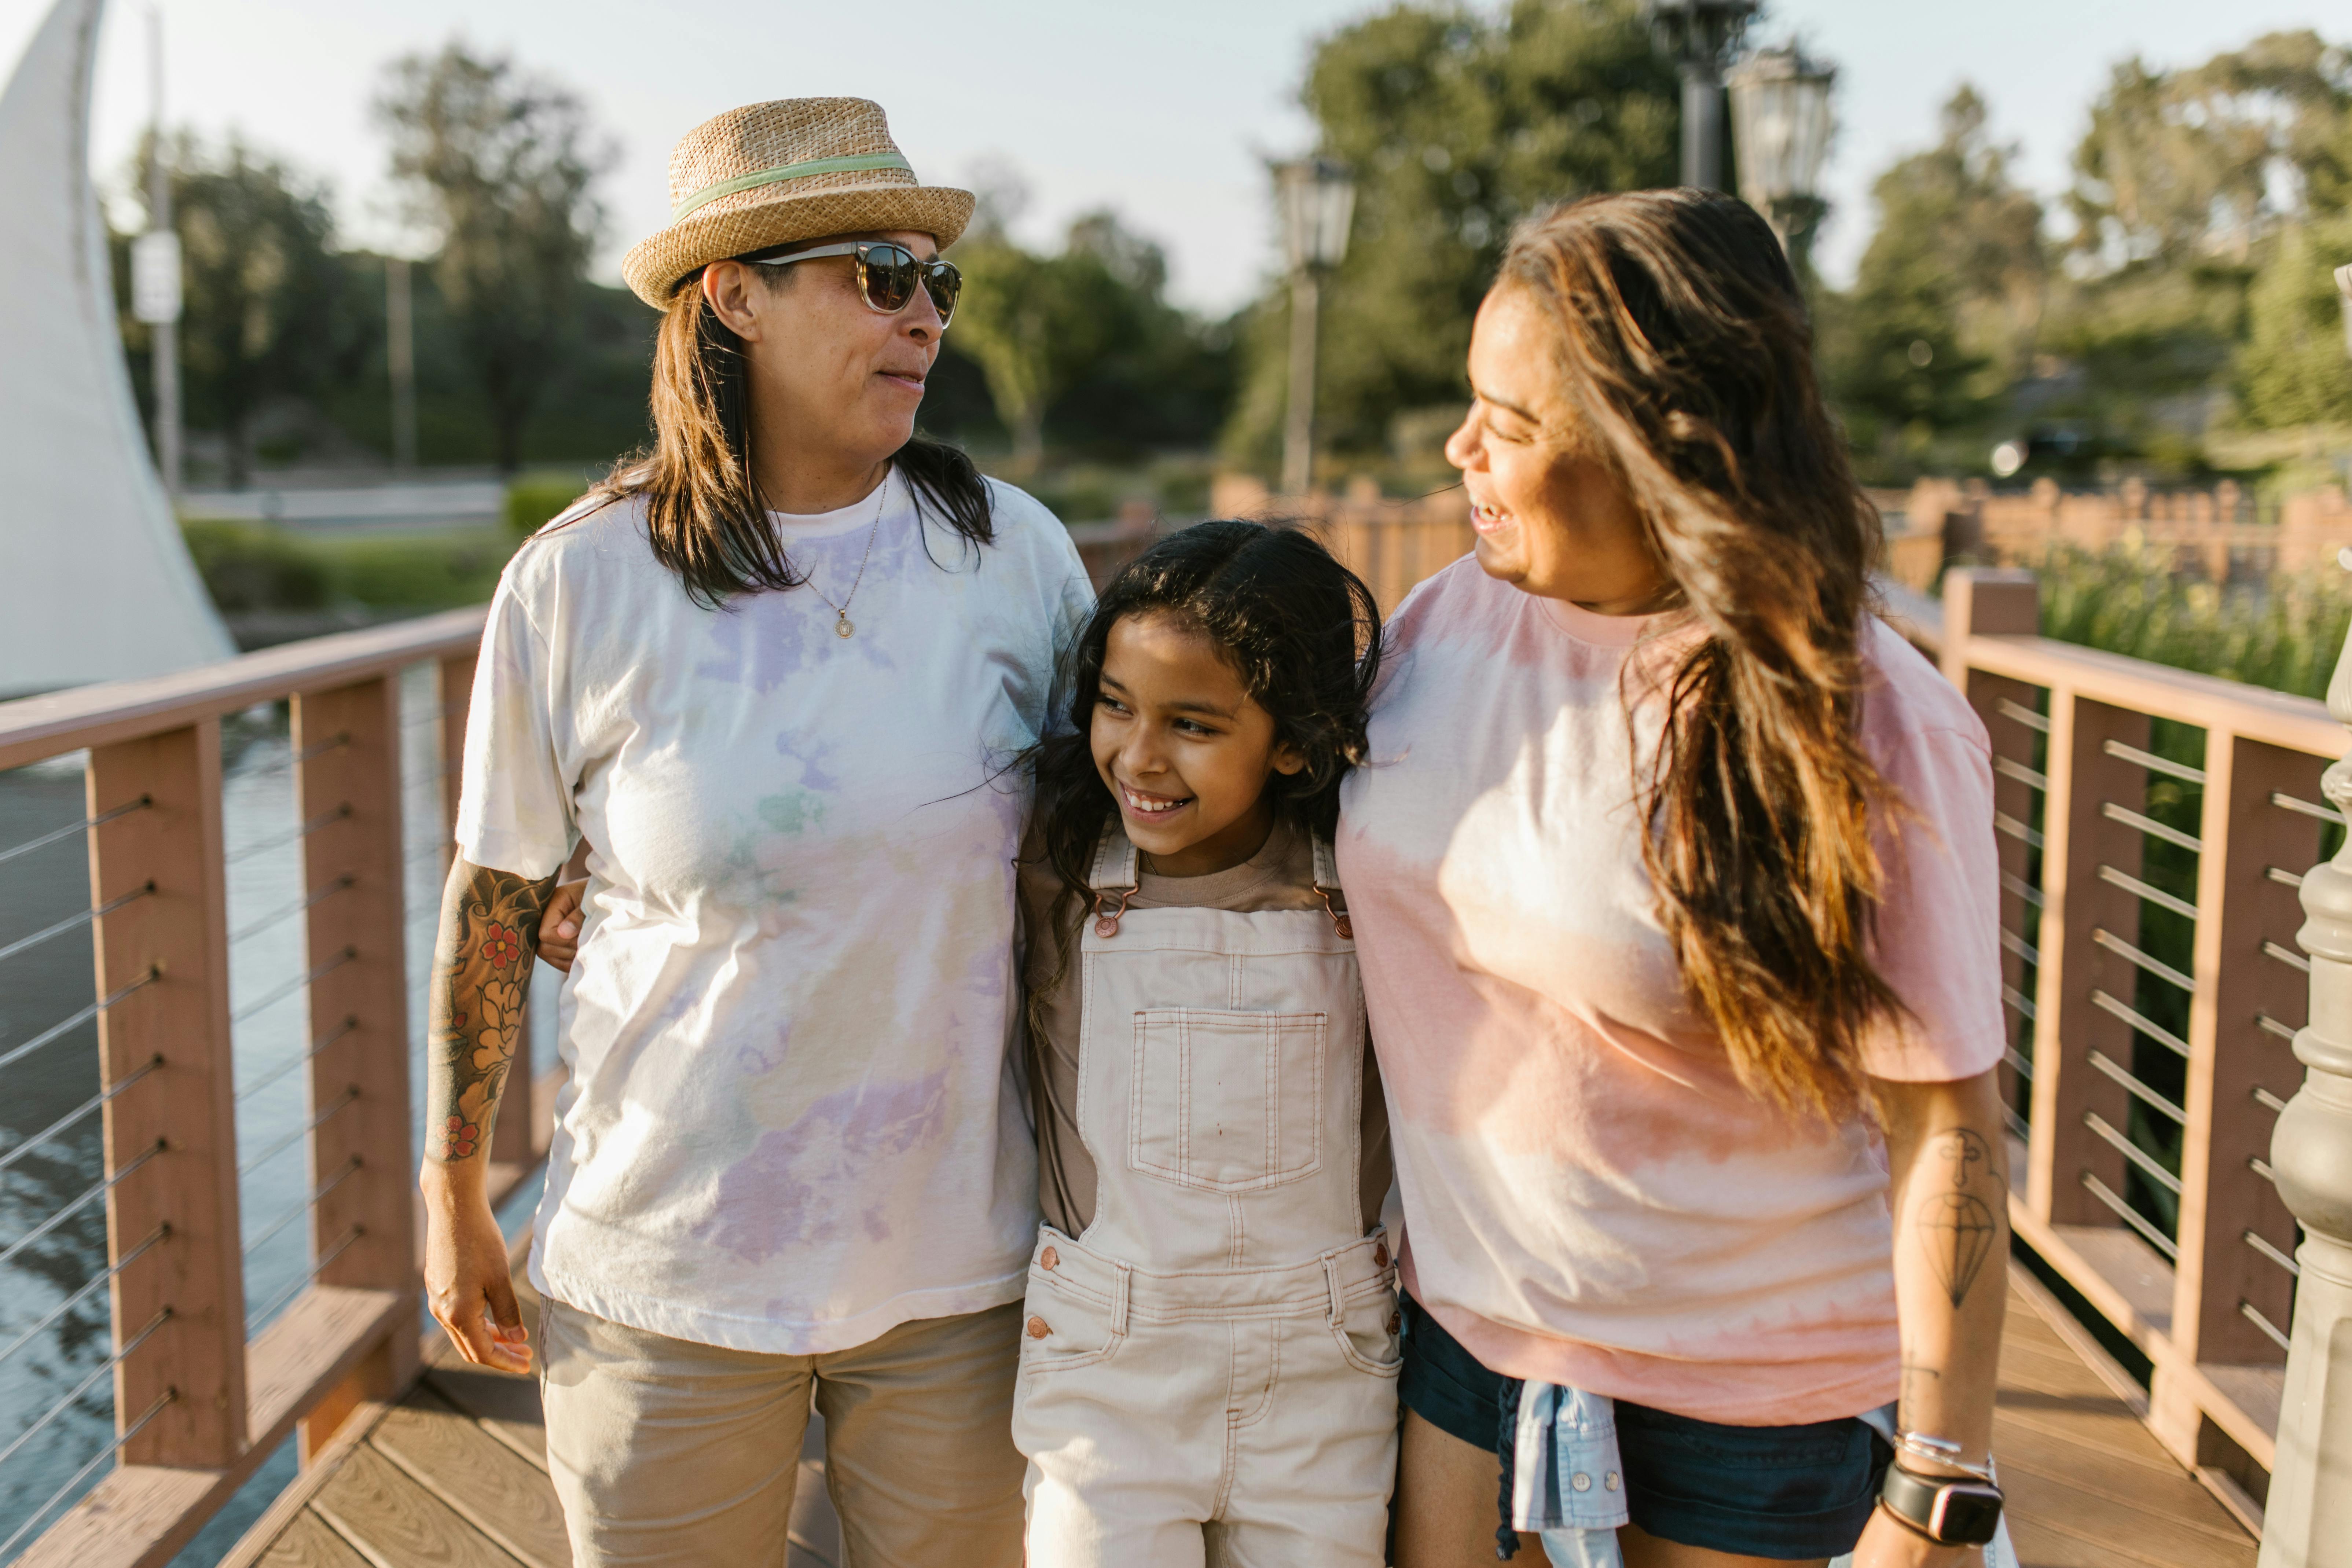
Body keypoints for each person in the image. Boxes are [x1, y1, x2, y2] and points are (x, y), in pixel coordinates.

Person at [421, 97, 1091, 1568]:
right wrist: (452, 1186)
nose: (923, 316)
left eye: (936, 281)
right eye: (876, 273)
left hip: (957, 1270)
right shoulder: (579, 584)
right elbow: (495, 894)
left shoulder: (1012, 555)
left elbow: (1118, 844)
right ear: (733, 296)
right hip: (662, 1269)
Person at [1338, 189, 2011, 1568]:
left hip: (1754, 1404)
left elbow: (1946, 1123)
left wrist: (1936, 1489)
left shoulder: (1864, 720)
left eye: (1510, 426)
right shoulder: (1440, 624)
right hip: (1467, 1339)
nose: (1461, 452)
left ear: (1669, 450)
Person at [1010, 521, 1399, 1567]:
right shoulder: (1052, 868)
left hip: (1327, 1379)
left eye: (1193, 724)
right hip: (1110, 1370)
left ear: (1293, 738)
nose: (1139, 756)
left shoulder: (1364, 876)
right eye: (1115, 705)